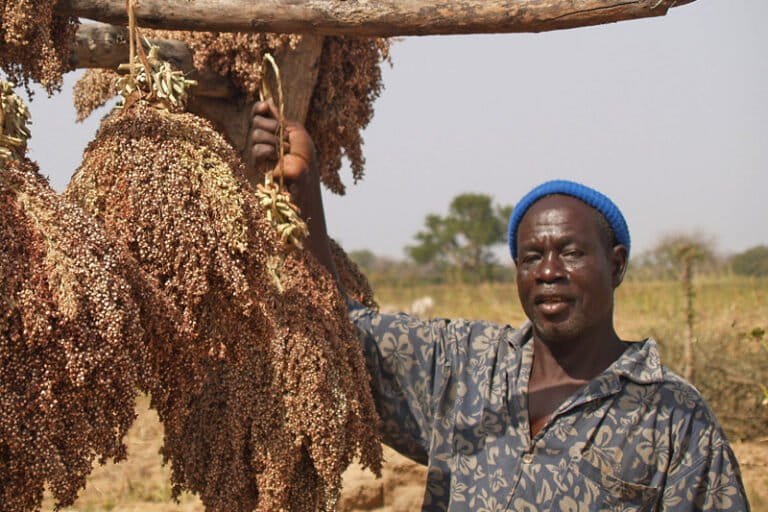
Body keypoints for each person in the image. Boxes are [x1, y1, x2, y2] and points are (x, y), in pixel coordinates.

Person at [249, 102, 751, 511]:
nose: (549, 271)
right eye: (531, 256)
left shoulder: (672, 415)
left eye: (571, 252)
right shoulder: (464, 366)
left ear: (616, 265)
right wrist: (303, 188)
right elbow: (340, 328)